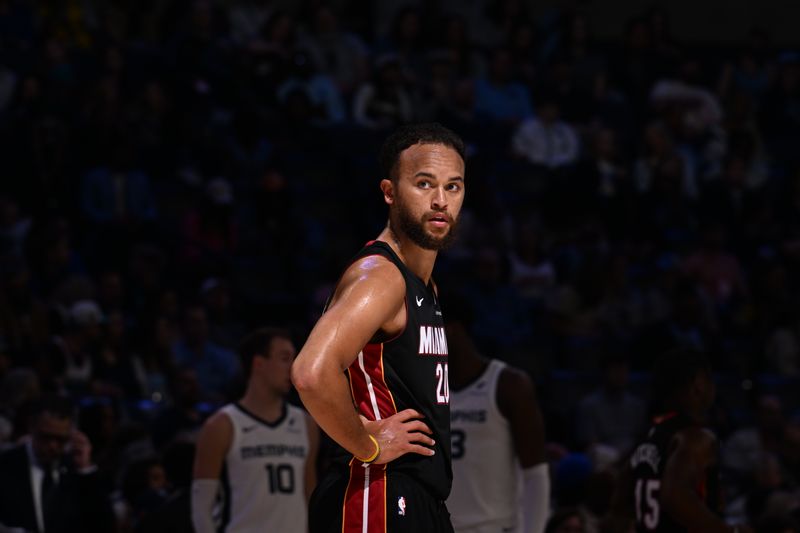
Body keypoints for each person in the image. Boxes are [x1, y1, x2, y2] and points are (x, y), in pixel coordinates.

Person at [291, 122, 466, 532]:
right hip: (376, 494)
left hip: (416, 497)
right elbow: (310, 373)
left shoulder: (423, 283)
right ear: (389, 192)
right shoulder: (381, 277)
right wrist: (366, 444)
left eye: (453, 187)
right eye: (424, 184)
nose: (440, 200)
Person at [603, 349, 751, 533]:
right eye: (709, 379)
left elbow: (618, 507)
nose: (713, 386)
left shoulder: (649, 438)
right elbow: (675, 496)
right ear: (698, 384)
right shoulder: (696, 438)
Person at [192, 328, 320, 533]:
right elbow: (202, 508)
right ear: (258, 363)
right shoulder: (222, 425)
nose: (293, 367)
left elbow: (310, 496)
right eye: (285, 358)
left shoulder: (305, 424)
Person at [444, 294, 550, 533]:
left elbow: (536, 474)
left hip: (493, 526)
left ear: (451, 330)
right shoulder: (425, 389)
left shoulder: (508, 384)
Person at [0, 394, 113, 533]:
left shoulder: (77, 471)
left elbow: (103, 525)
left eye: (60, 439)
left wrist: (85, 469)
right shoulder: (6, 465)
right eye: (46, 437)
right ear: (31, 427)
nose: (53, 446)